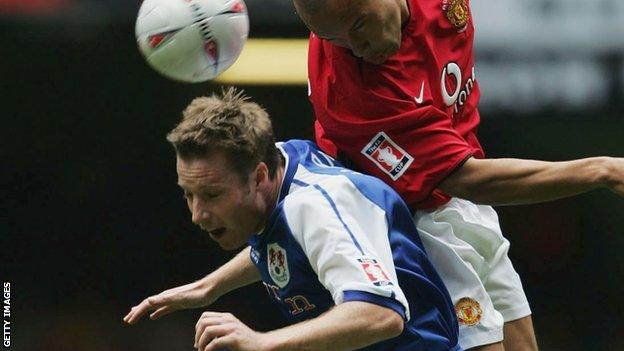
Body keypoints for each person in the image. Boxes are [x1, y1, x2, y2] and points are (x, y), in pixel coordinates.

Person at [288, 0, 624, 350]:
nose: (356, 48)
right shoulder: (353, 95)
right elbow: (470, 179)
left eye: (358, 25)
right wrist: (601, 171)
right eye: (335, 39)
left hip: (459, 202)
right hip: (407, 226)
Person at [124, 88, 464, 351]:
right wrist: (208, 288)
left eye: (212, 195)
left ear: (258, 177)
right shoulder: (283, 160)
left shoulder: (312, 208)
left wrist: (261, 342)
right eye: (188, 194)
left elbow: (381, 315)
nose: (197, 215)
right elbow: (292, 243)